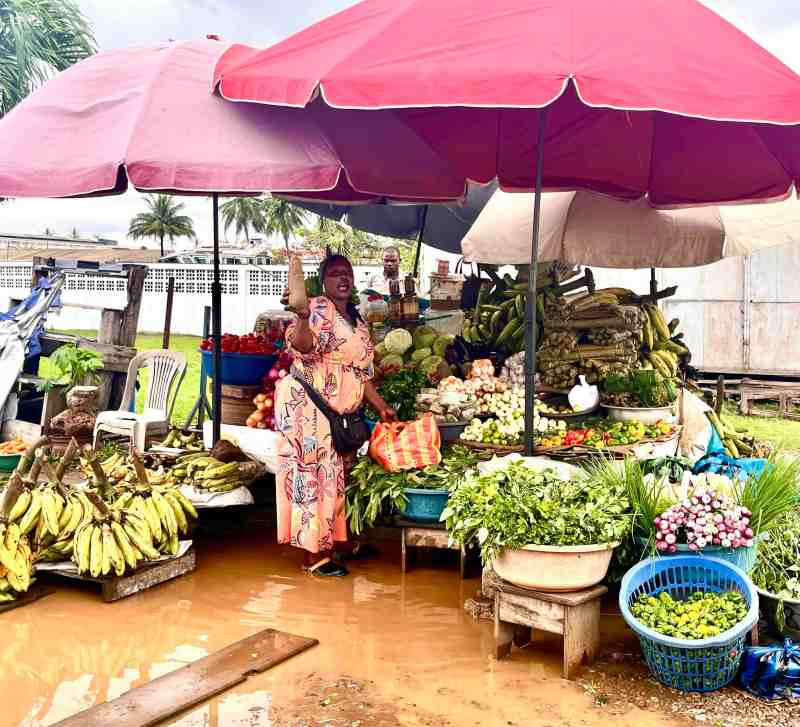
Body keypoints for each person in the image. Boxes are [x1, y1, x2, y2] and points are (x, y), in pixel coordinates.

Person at [275, 253, 397, 577]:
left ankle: (336, 543)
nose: (343, 279)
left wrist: (381, 406)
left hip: (338, 415)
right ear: (324, 281)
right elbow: (303, 347)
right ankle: (313, 557)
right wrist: (301, 316)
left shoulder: (357, 322)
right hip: (307, 408)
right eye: (335, 274)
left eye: (348, 273)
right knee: (312, 478)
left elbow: (361, 373)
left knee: (336, 479)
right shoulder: (315, 308)